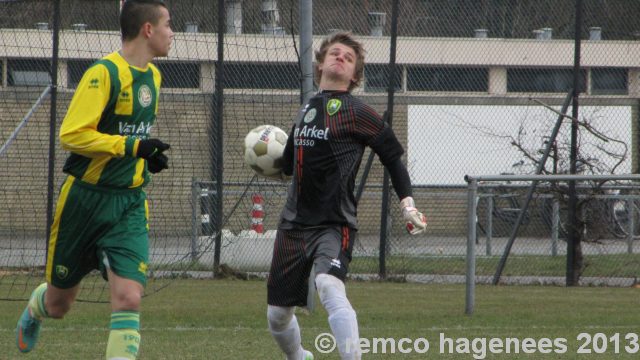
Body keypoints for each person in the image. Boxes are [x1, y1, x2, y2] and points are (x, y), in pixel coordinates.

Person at [15, 1, 173, 358]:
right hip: (84, 201)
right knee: (59, 304)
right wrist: (132, 146)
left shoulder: (155, 77)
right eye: (168, 24)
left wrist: (147, 161)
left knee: (129, 297)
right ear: (148, 30)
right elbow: (72, 135)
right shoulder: (103, 74)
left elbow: (132, 140)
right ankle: (36, 307)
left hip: (129, 204)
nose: (172, 33)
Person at [266, 32, 427, 360]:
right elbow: (287, 164)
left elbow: (393, 158)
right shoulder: (307, 108)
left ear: (354, 76)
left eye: (348, 57)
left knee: (328, 285)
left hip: (334, 223)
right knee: (277, 315)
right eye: (334, 53)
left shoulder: (359, 112)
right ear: (321, 63)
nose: (340, 58)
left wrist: (407, 203)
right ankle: (299, 356)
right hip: (293, 225)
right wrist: (266, 157)